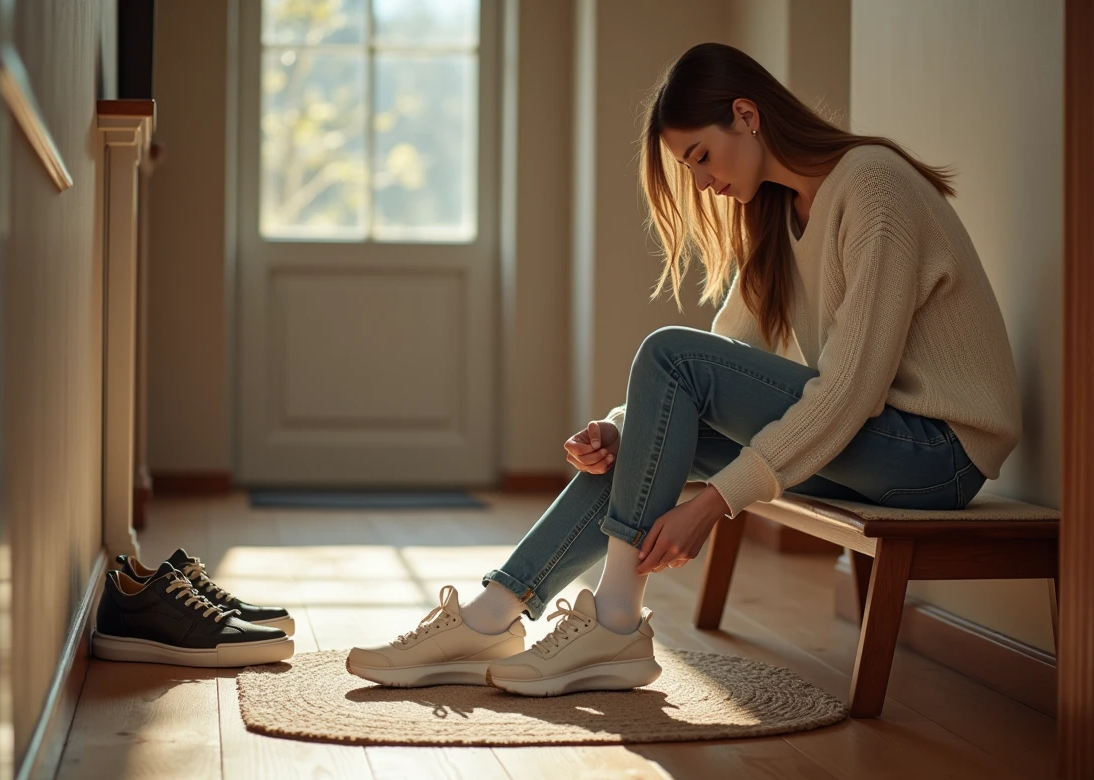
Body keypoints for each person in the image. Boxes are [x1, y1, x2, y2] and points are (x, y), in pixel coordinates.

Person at [345, 42, 1021, 698]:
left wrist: (713, 503)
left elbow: (849, 391)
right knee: (657, 399)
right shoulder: (782, 211)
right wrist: (623, 430)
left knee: (669, 351)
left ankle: (612, 622)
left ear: (748, 117)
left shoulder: (872, 187)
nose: (702, 182)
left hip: (937, 455)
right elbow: (718, 357)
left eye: (702, 155)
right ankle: (492, 615)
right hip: (877, 443)